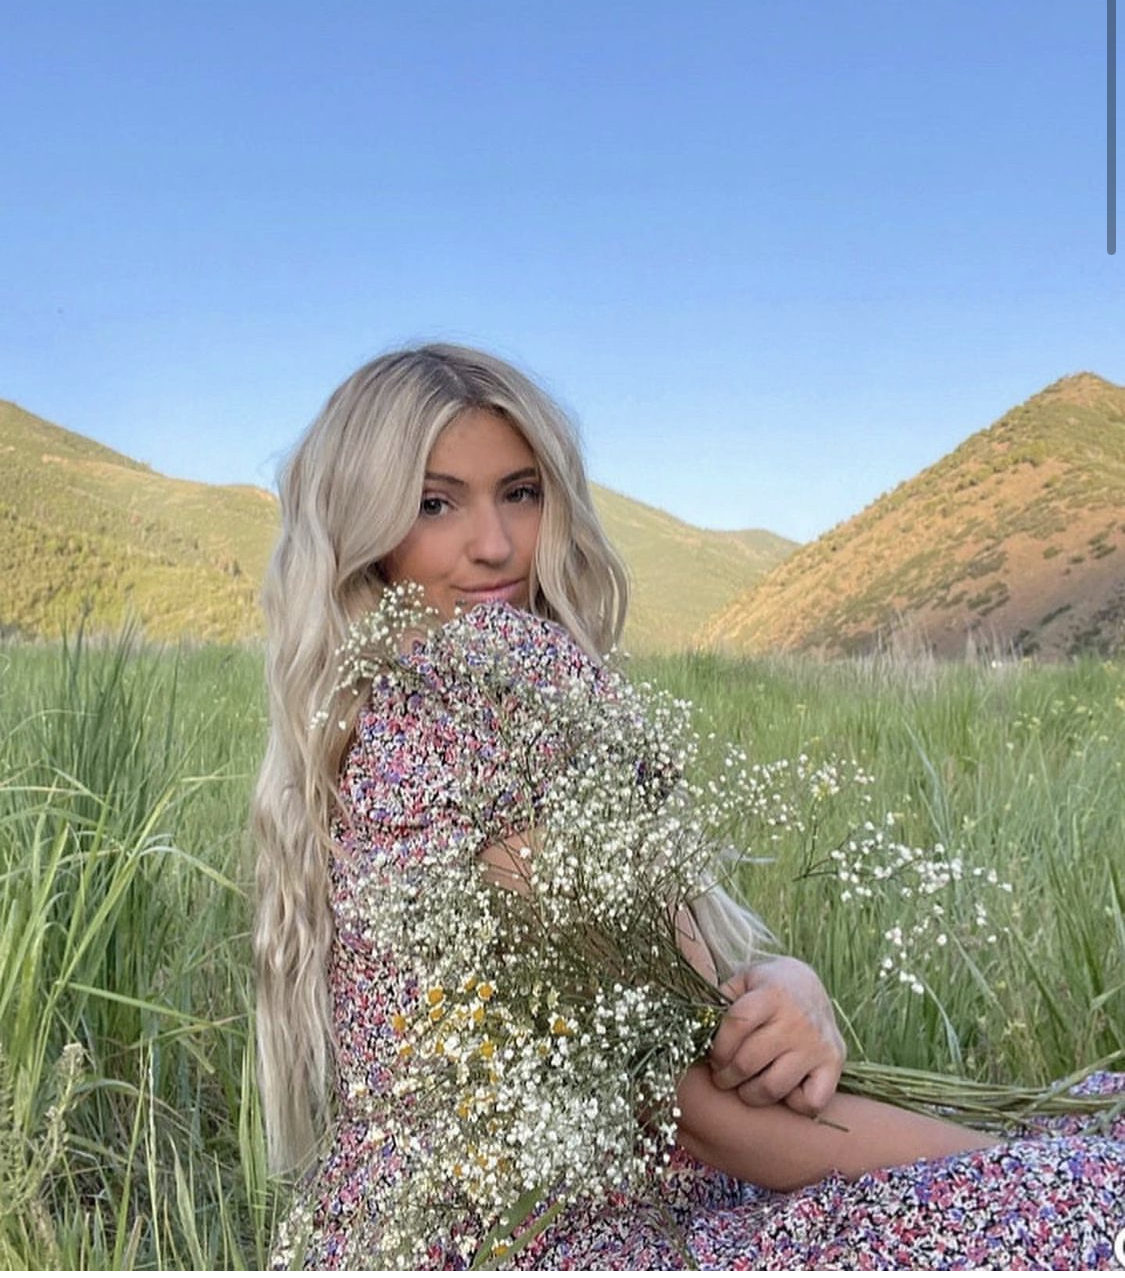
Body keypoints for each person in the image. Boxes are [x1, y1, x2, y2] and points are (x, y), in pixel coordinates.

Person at [254, 343, 1125, 1269]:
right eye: (435, 503)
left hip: (413, 1235)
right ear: (364, 529)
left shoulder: (379, 717)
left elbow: (678, 1021)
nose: (497, 544)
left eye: (520, 491)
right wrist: (1022, 1163)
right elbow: (706, 1121)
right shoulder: (484, 716)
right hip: (549, 1243)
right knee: (1084, 1186)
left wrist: (787, 983)